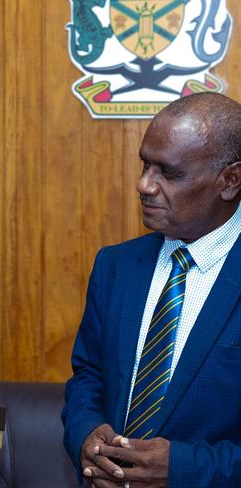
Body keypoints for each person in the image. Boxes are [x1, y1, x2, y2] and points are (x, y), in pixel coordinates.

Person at [63, 92, 241, 487]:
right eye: (145, 164)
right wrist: (86, 435)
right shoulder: (116, 267)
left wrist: (183, 469)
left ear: (230, 180)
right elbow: (88, 377)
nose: (144, 185)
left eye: (169, 173)